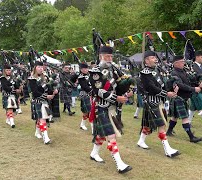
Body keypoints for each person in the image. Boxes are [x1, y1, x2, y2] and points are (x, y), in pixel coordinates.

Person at [89, 46, 132, 174]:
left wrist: (127, 88)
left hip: (112, 107)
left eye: (111, 56)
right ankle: (120, 164)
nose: (110, 59)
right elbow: (99, 91)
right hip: (101, 107)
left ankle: (94, 153)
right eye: (107, 56)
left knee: (101, 134)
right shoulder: (95, 72)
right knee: (111, 135)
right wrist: (116, 98)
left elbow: (118, 86)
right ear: (100, 56)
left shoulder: (113, 69)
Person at [136, 50, 180, 157]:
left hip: (159, 101)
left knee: (148, 125)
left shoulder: (157, 70)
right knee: (162, 124)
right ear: (146, 61)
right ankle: (167, 149)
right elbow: (151, 88)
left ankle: (141, 141)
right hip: (151, 101)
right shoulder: (144, 73)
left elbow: (163, 84)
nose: (155, 59)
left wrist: (173, 84)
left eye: (155, 58)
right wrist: (166, 93)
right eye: (152, 58)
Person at [166, 55, 202, 143]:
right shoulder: (174, 73)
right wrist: (193, 89)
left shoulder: (184, 71)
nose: (184, 63)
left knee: (175, 116)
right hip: (178, 98)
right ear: (176, 63)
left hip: (184, 97)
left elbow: (192, 79)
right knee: (185, 118)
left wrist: (199, 80)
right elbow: (180, 85)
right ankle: (191, 137)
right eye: (182, 62)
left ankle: (169, 131)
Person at [29, 61, 57, 144]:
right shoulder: (32, 79)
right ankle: (46, 138)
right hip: (37, 101)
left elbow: (49, 88)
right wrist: (46, 96)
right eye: (38, 67)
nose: (40, 69)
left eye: (41, 67)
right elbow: (35, 92)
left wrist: (53, 91)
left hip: (44, 101)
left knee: (41, 118)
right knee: (42, 119)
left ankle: (37, 132)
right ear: (35, 68)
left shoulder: (45, 78)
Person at [0, 64, 21, 128]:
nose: (9, 71)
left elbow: (16, 86)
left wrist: (19, 89)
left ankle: (8, 119)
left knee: (14, 110)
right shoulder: (2, 78)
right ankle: (12, 122)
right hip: (7, 95)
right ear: (4, 71)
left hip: (13, 96)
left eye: (9, 70)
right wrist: (14, 89)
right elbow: (5, 87)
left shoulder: (13, 78)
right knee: (10, 109)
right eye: (7, 70)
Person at [77, 62, 93, 131]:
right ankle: (93, 128)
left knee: (88, 112)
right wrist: (94, 90)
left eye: (86, 68)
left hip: (93, 94)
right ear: (80, 69)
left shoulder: (91, 74)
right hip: (85, 94)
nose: (84, 70)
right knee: (88, 111)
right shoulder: (81, 77)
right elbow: (85, 87)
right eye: (83, 69)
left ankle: (82, 124)